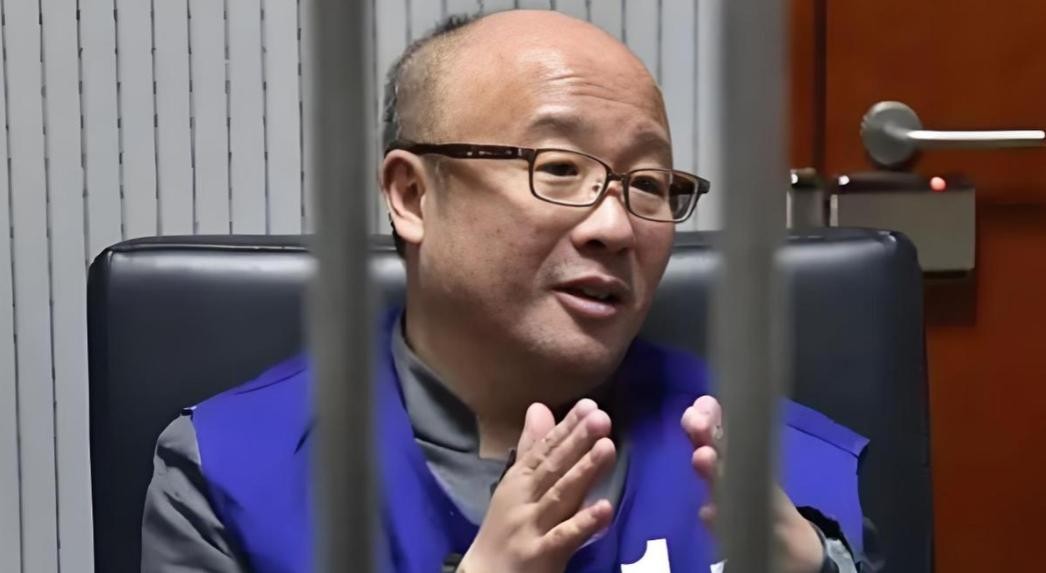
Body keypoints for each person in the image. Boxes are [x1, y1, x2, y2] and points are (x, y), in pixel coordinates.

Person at [141, 9, 869, 573]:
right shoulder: (230, 473)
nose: (616, 225)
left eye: (648, 183)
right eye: (558, 169)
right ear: (413, 195)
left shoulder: (788, 469)